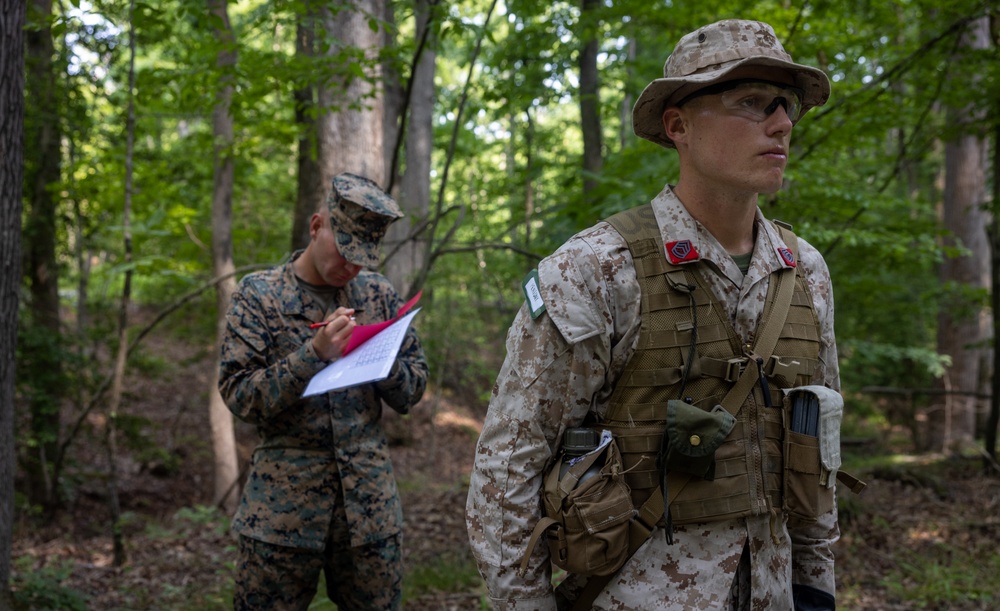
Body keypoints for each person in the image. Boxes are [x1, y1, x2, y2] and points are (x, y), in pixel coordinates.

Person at [466, 19, 844, 611]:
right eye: (751, 102)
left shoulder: (805, 272)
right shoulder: (594, 269)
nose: (781, 124)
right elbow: (507, 470)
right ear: (679, 125)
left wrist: (816, 587)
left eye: (787, 105)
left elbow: (817, 449)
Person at [220, 172, 428, 610]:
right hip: (280, 514)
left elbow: (412, 391)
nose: (352, 266)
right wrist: (311, 354)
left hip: (369, 511)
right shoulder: (259, 296)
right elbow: (240, 396)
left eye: (363, 257)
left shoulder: (379, 294)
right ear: (317, 226)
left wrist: (380, 358)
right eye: (345, 250)